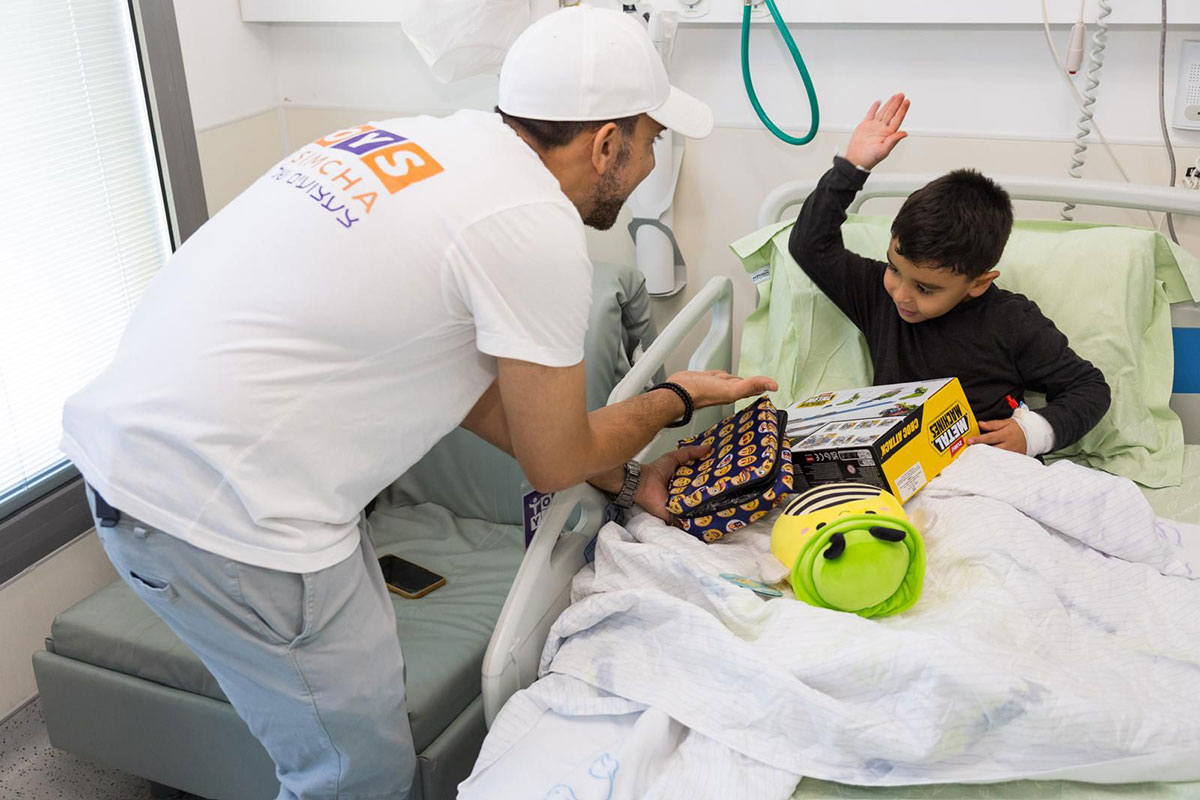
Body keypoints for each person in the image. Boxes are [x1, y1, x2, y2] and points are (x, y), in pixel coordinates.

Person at [59, 7, 774, 799]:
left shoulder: (415, 143)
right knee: (356, 776)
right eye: (651, 141)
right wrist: (676, 397)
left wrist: (630, 479)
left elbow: (471, 392)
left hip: (125, 461)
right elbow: (554, 457)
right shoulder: (533, 225)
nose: (649, 163)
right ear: (608, 144)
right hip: (235, 520)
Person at [788, 93, 1110, 457]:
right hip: (900, 469)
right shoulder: (877, 297)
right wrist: (852, 168)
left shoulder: (1011, 322)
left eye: (925, 289)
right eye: (894, 268)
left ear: (978, 283)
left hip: (985, 467)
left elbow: (1089, 388)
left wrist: (1032, 433)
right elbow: (809, 245)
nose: (901, 294)